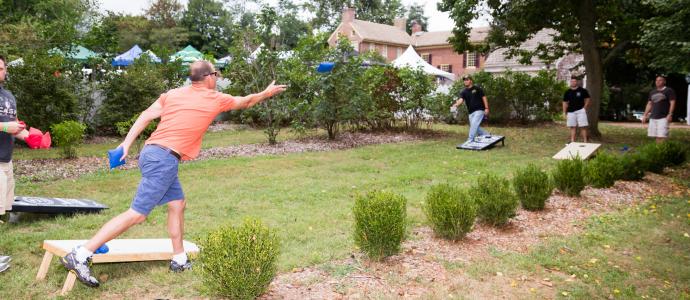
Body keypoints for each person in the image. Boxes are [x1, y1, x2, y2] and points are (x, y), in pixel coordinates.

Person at [60, 60, 287, 287]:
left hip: (153, 154)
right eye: (216, 74)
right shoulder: (214, 98)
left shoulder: (173, 94)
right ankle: (80, 255)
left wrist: (126, 145)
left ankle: (179, 259)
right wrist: (266, 93)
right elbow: (245, 102)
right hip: (163, 160)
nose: (217, 78)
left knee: (177, 203)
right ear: (209, 76)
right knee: (137, 214)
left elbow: (145, 116)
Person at [0, 55, 30, 273]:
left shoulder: (9, 96)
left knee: (2, 209)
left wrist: (33, 137)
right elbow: (5, 127)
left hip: (6, 159)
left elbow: (15, 127)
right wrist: (4, 128)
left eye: (1, 68)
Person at [451, 75, 490, 143]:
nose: (465, 81)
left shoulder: (477, 88)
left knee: (474, 124)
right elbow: (461, 99)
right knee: (474, 126)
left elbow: (484, 97)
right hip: (471, 112)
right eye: (464, 80)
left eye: (467, 80)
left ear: (471, 81)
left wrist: (486, 108)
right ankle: (486, 134)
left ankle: (470, 139)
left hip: (479, 110)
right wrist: (456, 104)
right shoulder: (463, 91)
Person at [641, 75, 676, 143]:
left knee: (662, 135)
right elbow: (649, 104)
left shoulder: (669, 90)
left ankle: (663, 151)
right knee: (656, 136)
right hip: (653, 117)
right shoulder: (652, 92)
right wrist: (645, 115)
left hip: (663, 117)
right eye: (656, 80)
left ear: (664, 82)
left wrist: (670, 114)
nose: (658, 82)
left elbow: (672, 102)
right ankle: (658, 151)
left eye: (660, 80)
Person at [562, 77, 591, 143]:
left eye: (574, 81)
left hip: (581, 111)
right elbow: (564, 103)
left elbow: (588, 99)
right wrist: (564, 112)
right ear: (570, 82)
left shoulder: (582, 90)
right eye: (572, 81)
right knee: (572, 127)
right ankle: (572, 141)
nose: (573, 82)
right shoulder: (567, 92)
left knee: (583, 126)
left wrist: (585, 107)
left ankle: (585, 141)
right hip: (571, 112)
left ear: (577, 82)